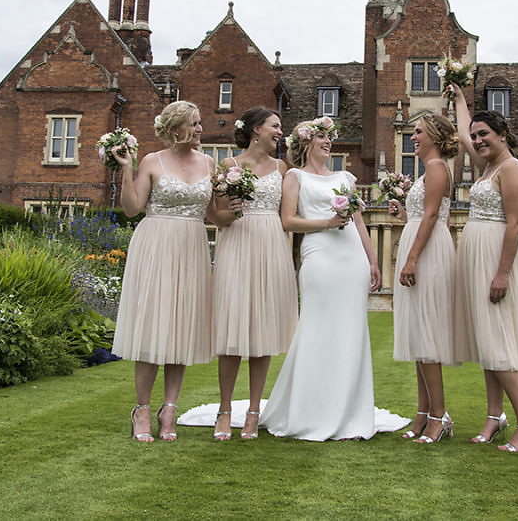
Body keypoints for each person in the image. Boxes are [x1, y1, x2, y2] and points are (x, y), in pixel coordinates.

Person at [259, 117, 406, 441]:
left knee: (351, 331)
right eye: (322, 137)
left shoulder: (345, 177)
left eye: (330, 138)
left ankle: (350, 411)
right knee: (316, 327)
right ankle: (309, 409)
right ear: (306, 143)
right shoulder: (295, 177)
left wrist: (372, 261)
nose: (328, 142)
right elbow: (288, 221)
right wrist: (326, 223)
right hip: (319, 259)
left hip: (351, 260)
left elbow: (358, 222)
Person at [112, 100, 235, 442]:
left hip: (192, 246)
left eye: (199, 123)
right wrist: (125, 169)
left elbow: (213, 216)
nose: (200, 129)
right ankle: (141, 410)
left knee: (180, 328)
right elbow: (132, 208)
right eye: (194, 124)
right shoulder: (152, 161)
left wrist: (236, 209)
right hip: (155, 245)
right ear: (175, 129)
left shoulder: (209, 163)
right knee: (152, 327)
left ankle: (169, 409)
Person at [451, 87, 518, 452]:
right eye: (475, 137)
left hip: (496, 259)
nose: (476, 140)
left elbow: (515, 224)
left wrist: (502, 273)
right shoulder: (486, 166)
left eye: (483, 134)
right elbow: (460, 133)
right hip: (477, 256)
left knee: (499, 341)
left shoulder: (512, 168)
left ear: (502, 135)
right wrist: (459, 99)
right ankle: (494, 416)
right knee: (487, 342)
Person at [209, 107, 296, 441]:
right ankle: (225, 410)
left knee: (263, 333)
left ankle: (254, 412)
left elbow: (290, 213)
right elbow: (217, 216)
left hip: (272, 247)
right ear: (257, 129)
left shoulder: (282, 168)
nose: (280, 132)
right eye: (275, 127)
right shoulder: (229, 166)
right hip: (237, 246)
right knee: (232, 331)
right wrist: (231, 212)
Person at [388, 114, 463, 444]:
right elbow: (426, 214)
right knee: (418, 333)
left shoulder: (436, 168)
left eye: (418, 132)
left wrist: (413, 258)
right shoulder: (430, 170)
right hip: (423, 242)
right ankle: (422, 413)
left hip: (427, 252)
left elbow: (433, 216)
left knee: (428, 333)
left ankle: (439, 416)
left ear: (434, 135)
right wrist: (404, 216)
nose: (413, 137)